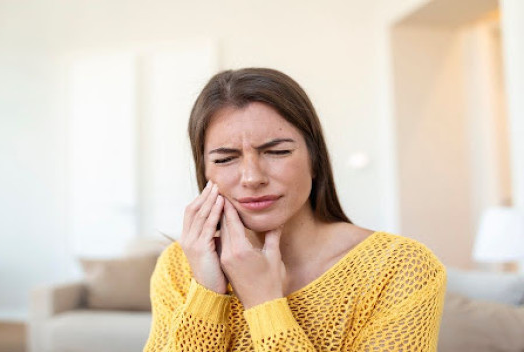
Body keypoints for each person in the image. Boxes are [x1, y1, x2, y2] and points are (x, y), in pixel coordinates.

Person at [143, 68, 446, 351]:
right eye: (225, 159)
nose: (252, 177)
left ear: (315, 160)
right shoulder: (179, 267)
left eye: (277, 152)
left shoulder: (400, 267)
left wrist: (264, 303)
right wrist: (206, 294)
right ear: (205, 172)